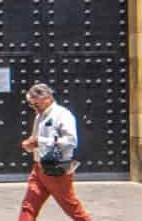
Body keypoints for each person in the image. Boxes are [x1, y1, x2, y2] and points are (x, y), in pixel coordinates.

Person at [17, 82, 92, 221]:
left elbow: (71, 141)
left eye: (36, 104)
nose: (33, 108)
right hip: (38, 167)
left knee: (72, 208)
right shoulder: (39, 116)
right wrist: (30, 144)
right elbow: (37, 139)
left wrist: (41, 141)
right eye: (31, 105)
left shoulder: (62, 115)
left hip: (56, 170)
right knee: (28, 206)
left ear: (47, 99)